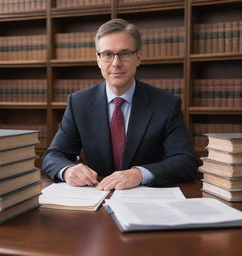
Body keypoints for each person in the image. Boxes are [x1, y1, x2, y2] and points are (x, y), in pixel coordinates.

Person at [42, 18, 199, 191]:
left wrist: (139, 174)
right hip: (94, 201)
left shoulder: (166, 104)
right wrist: (67, 170)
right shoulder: (79, 103)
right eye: (107, 54)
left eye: (124, 53)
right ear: (98, 60)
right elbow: (53, 155)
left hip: (144, 203)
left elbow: (186, 161)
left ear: (138, 57)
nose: (116, 63)